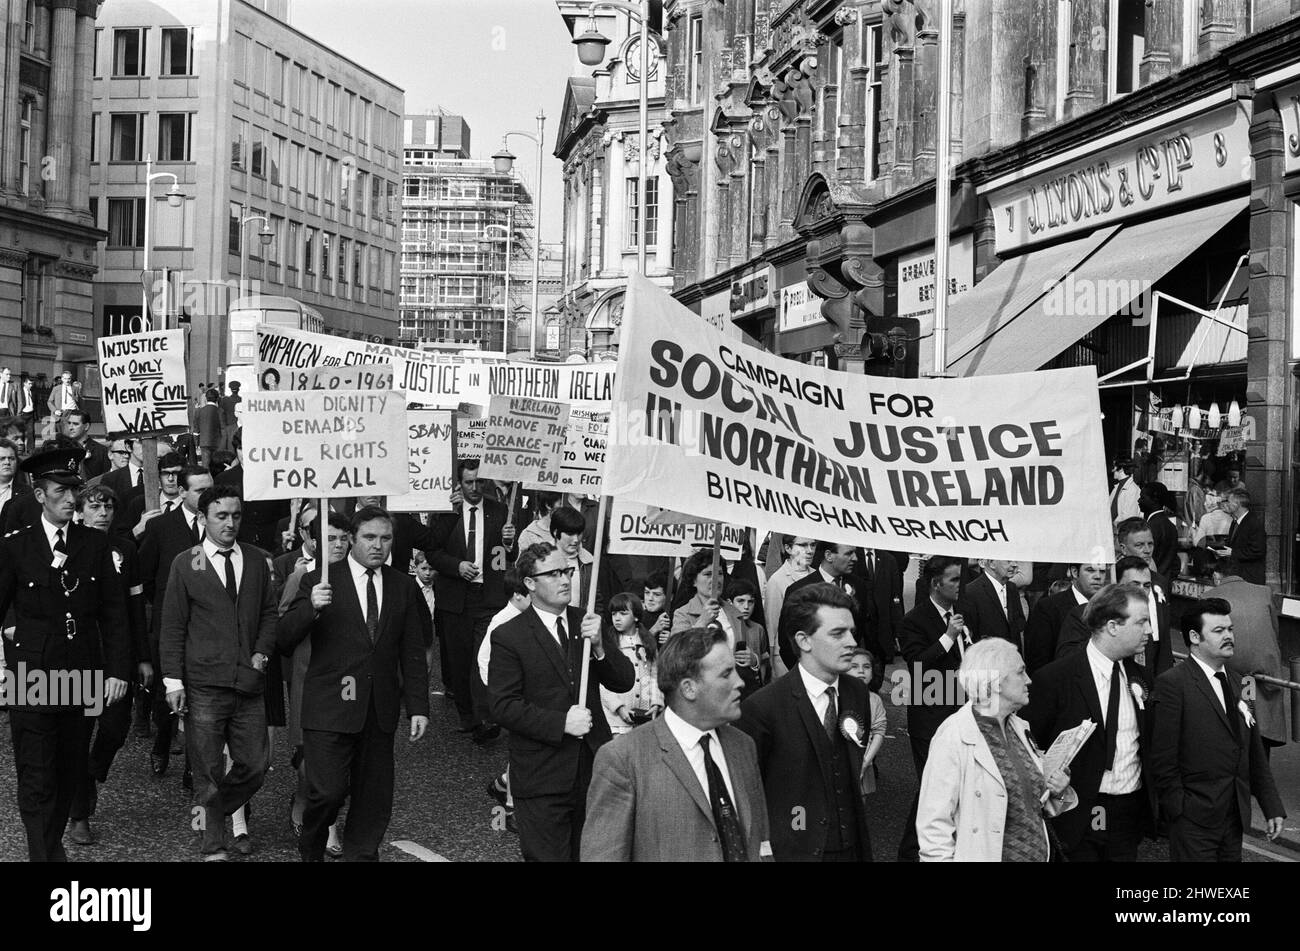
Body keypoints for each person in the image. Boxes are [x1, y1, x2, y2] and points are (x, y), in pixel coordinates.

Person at [277, 505, 431, 862]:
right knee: (328, 793)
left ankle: (360, 856)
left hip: (378, 710)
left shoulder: (402, 586)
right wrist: (310, 610)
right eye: (369, 537)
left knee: (373, 799)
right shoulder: (319, 579)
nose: (378, 545)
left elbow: (412, 650)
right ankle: (311, 845)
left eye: (386, 538)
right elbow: (283, 640)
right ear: (351, 541)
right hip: (329, 708)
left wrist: (419, 707)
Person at [0, 446, 129, 861]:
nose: (71, 499)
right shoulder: (16, 547)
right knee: (36, 775)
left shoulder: (94, 545)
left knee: (69, 771)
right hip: (32, 673)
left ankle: (50, 843)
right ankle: (46, 855)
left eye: (75, 489)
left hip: (82, 671)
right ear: (40, 495)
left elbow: (114, 614)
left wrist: (117, 671)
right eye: (61, 490)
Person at [487, 542, 634, 862]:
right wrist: (561, 723)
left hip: (592, 769)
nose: (565, 579)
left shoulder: (587, 622)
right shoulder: (509, 635)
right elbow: (502, 705)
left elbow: (623, 681)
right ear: (530, 582)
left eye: (567, 571)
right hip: (541, 774)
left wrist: (599, 647)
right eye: (553, 574)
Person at [581, 627, 771, 862]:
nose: (740, 682)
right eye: (726, 674)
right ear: (689, 688)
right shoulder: (624, 758)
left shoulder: (743, 746)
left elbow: (761, 842)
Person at [159, 484, 278, 860]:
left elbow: (269, 613)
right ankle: (214, 844)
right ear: (204, 518)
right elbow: (173, 625)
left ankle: (212, 813)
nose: (230, 523)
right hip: (204, 682)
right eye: (221, 516)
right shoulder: (186, 562)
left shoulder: (257, 560)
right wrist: (173, 682)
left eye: (236, 515)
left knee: (256, 765)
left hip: (248, 680)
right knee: (207, 769)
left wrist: (261, 652)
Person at [738, 583, 874, 861]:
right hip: (793, 851)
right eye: (837, 633)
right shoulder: (762, 707)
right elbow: (749, 794)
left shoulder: (858, 693)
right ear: (804, 640)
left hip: (851, 849)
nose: (851, 642)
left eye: (851, 632)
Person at [1023, 583, 1155, 862]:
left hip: (1127, 814)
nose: (1150, 631)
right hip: (1077, 814)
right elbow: (1028, 747)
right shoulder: (1055, 679)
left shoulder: (1142, 678)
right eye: (1142, 622)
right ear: (1113, 626)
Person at [916, 638, 1077, 862]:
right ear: (996, 682)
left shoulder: (1019, 727)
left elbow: (1031, 807)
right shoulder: (953, 736)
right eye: (1021, 672)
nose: (1029, 680)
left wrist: (1057, 791)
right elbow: (933, 826)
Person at [1151, 598, 1286, 860]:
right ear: (1194, 636)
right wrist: (1179, 808)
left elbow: (1253, 753)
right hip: (1193, 820)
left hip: (1233, 817)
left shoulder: (1239, 683)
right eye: (1219, 631)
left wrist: (1272, 807)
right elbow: (1163, 758)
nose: (1229, 636)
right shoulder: (1172, 684)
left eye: (1230, 629)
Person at [66, 484, 150, 847]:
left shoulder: (125, 549)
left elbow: (134, 607)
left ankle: (91, 772)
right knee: (78, 731)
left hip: (118, 653)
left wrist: (143, 657)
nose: (102, 513)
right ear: (80, 511)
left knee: (115, 727)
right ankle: (79, 814)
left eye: (108, 508)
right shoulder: (68, 546)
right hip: (80, 654)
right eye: (94, 506)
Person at [425, 460, 516, 741]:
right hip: (455, 597)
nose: (474, 488)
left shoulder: (500, 511)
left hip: (488, 597)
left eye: (479, 482)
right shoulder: (445, 513)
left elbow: (508, 558)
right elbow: (432, 552)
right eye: (468, 483)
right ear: (459, 484)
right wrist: (456, 566)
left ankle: (484, 717)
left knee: (483, 658)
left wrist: (510, 545)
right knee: (460, 658)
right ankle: (467, 715)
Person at [280, 511, 351, 855]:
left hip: (347, 680)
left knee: (341, 757)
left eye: (343, 538)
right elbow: (284, 631)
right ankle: (304, 806)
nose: (337, 545)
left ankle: (328, 818)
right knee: (310, 758)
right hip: (309, 677)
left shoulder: (361, 576)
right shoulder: (303, 578)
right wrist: (311, 607)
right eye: (330, 538)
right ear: (313, 542)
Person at [138, 464, 213, 776]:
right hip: (169, 624)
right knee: (167, 690)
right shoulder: (161, 527)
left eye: (210, 488)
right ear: (182, 492)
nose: (208, 496)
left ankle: (192, 769)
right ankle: (162, 743)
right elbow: (144, 575)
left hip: (206, 625)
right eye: (200, 490)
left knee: (202, 694)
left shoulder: (220, 525)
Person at [896, 555, 970, 862]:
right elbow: (916, 665)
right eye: (953, 580)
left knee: (952, 785)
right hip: (930, 718)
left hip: (962, 714)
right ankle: (913, 850)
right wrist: (948, 638)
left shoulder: (963, 614)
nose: (959, 585)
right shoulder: (914, 620)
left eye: (959, 579)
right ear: (936, 584)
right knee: (932, 784)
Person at [1205, 563, 1290, 756]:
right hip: (1265, 668)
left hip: (1231, 666)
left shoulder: (1208, 596)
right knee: (1262, 723)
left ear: (1217, 576)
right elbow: (1275, 631)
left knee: (1233, 721)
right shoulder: (1264, 592)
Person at [782, 542, 884, 689]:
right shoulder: (799, 589)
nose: (855, 558)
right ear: (829, 555)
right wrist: (811, 678)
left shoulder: (859, 586)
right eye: (849, 553)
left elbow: (862, 632)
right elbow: (787, 643)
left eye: (855, 553)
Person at [1022, 562, 1108, 674]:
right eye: (1090, 570)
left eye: (1102, 571)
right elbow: (1038, 661)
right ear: (1074, 572)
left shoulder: (1109, 607)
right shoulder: (1049, 607)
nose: (1098, 576)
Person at [599, 593, 663, 734]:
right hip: (616, 720)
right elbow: (602, 682)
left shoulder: (647, 641)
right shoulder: (609, 643)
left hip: (644, 717)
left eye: (623, 613)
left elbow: (655, 674)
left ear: (636, 616)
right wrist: (619, 707)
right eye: (614, 613)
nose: (617, 618)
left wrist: (656, 701)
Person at [763, 535, 814, 677]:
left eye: (812, 545)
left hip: (813, 653)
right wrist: (772, 665)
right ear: (788, 548)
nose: (809, 550)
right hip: (785, 657)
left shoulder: (817, 576)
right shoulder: (777, 580)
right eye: (803, 545)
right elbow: (771, 625)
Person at [844, 646, 887, 796]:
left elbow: (879, 731)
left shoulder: (875, 700)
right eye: (854, 666)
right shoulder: (836, 697)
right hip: (840, 763)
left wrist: (865, 762)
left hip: (865, 761)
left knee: (860, 806)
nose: (861, 671)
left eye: (866, 667)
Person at [959, 558, 1026, 651]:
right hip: (987, 657)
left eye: (1015, 560)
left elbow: (1020, 622)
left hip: (1011, 654)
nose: (1015, 564)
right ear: (992, 563)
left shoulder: (1012, 588)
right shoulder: (971, 592)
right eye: (1008, 561)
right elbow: (970, 633)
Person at [121, 452, 186, 540]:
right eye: (165, 473)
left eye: (175, 474)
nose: (170, 479)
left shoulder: (191, 503)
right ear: (159, 476)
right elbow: (119, 541)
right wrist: (138, 529)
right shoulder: (140, 503)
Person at [858, 546, 903, 663]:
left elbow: (896, 594)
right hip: (862, 622)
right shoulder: (853, 557)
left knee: (881, 663)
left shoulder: (888, 559)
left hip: (883, 620)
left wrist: (897, 627)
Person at [723, 577, 770, 688]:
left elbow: (764, 661)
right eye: (740, 601)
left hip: (752, 686)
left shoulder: (757, 629)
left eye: (750, 602)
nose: (746, 607)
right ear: (730, 602)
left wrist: (754, 661)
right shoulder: (724, 627)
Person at [1214, 489, 1265, 585]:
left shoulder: (1254, 523)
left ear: (1237, 504)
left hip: (1249, 580)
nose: (1226, 504)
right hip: (1236, 577)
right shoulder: (1235, 522)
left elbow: (1258, 550)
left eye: (1228, 501)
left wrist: (1232, 553)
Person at [1141, 482, 1181, 580]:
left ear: (1154, 500)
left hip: (1152, 581)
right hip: (1165, 583)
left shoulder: (1149, 527)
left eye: (1142, 497)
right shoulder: (1170, 526)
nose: (1139, 501)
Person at [61, 411, 109, 481]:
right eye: (69, 423)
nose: (70, 427)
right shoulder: (61, 449)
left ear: (86, 426)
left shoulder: (102, 451)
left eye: (75, 424)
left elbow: (106, 478)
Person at [1109, 452, 1140, 525]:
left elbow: (1130, 519)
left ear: (1121, 469)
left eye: (1114, 467)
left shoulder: (1133, 490)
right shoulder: (1117, 486)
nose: (1112, 470)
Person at [641, 572, 671, 646]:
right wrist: (654, 629)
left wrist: (672, 641)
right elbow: (634, 647)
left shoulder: (675, 617)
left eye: (656, 594)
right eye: (647, 593)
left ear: (670, 597)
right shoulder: (637, 617)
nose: (650, 598)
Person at [195, 389, 222, 468]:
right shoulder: (220, 411)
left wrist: (196, 443)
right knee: (217, 466)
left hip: (204, 442)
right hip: (217, 442)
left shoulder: (199, 411)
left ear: (206, 398)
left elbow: (196, 429)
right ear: (217, 399)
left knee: (206, 467)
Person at [218, 381, 242, 450]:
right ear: (239, 389)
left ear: (230, 389)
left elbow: (221, 414)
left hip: (229, 426)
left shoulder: (225, 400)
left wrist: (223, 426)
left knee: (230, 447)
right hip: (241, 426)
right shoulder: (242, 400)